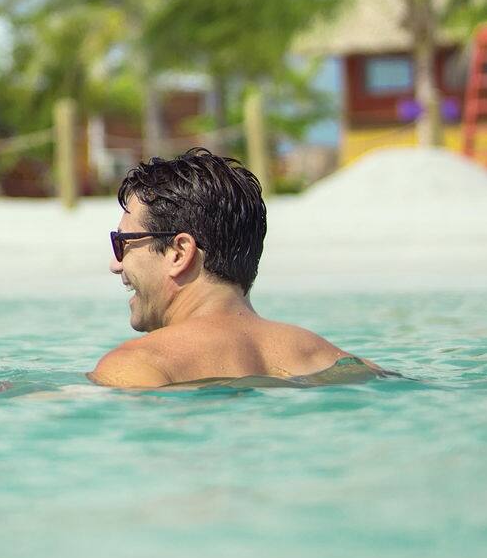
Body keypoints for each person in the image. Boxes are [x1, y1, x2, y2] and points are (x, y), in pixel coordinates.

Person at [91, 149, 363, 388]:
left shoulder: (137, 366)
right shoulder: (334, 361)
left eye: (122, 242)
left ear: (179, 253)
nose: (115, 264)